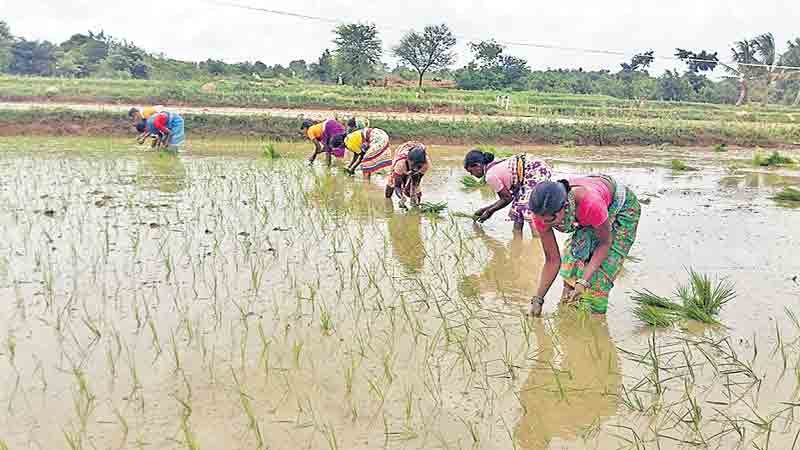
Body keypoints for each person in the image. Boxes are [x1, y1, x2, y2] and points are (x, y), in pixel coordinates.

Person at [528, 175, 641, 316]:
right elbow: (553, 260)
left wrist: (583, 282)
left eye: (550, 220)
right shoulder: (541, 215)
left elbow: (605, 244)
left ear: (566, 206)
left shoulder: (590, 204)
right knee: (571, 268)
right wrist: (538, 299)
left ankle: (595, 324)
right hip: (588, 212)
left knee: (598, 280)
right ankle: (566, 317)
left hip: (620, 207)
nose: (544, 224)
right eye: (540, 220)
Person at [463, 150, 552, 237]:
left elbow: (506, 199)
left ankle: (537, 240)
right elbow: (508, 197)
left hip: (534, 170)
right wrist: (484, 210)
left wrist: (489, 211)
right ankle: (517, 239)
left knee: (528, 209)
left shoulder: (490, 176)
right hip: (533, 166)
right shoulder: (493, 165)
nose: (471, 174)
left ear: (477, 166)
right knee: (518, 208)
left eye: (471, 171)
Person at [386, 142, 430, 208]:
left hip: (417, 147)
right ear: (408, 160)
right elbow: (397, 186)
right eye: (413, 165)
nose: (415, 168)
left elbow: (416, 183)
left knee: (414, 193)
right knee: (391, 183)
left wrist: (413, 195)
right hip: (403, 151)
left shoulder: (425, 164)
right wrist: (401, 197)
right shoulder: (400, 164)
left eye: (418, 166)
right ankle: (387, 202)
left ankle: (415, 209)